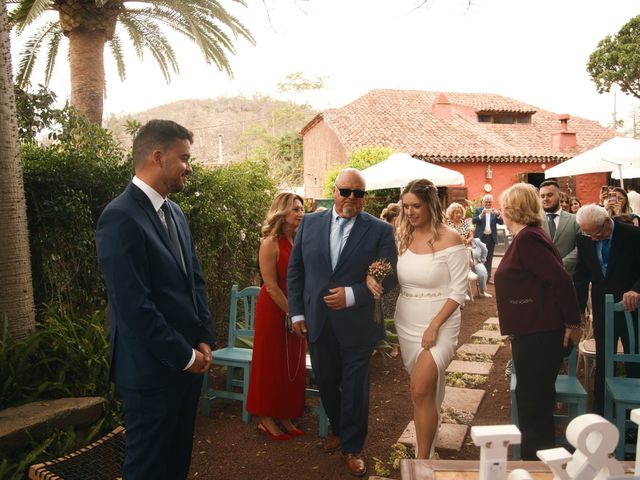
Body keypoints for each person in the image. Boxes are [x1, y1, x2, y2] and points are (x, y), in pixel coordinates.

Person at [96, 120, 215, 480]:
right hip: (149, 372)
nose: (189, 167)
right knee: (147, 467)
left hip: (188, 365)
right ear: (158, 156)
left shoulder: (175, 213)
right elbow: (135, 306)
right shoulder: (119, 217)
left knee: (176, 462)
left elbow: (194, 281)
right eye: (184, 158)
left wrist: (205, 339)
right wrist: (184, 356)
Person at [287, 168, 398, 477]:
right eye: (345, 191)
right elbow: (296, 271)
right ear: (333, 191)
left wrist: (352, 295)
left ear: (364, 197)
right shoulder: (309, 223)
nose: (351, 198)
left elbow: (389, 276)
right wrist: (297, 312)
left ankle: (352, 446)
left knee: (355, 388)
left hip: (358, 323)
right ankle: (337, 428)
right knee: (325, 381)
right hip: (318, 321)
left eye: (358, 193)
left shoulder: (379, 230)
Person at [368, 179, 468, 459]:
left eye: (416, 206)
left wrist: (435, 325)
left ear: (431, 205)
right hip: (407, 319)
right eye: (406, 206)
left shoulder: (451, 238)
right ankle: (430, 447)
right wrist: (370, 276)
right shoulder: (400, 237)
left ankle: (422, 460)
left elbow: (459, 292)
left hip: (441, 322)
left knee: (420, 386)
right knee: (423, 393)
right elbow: (385, 271)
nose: (410, 212)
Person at [494, 183, 582, 460]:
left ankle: (538, 467)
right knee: (535, 402)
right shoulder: (530, 236)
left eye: (502, 208)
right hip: (533, 332)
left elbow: (560, 279)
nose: (500, 214)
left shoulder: (528, 239)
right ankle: (540, 464)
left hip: (539, 335)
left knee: (535, 406)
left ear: (512, 210)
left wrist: (573, 323)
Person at [246, 193, 306, 441]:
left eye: (302, 209)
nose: (301, 214)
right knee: (271, 364)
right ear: (282, 213)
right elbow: (270, 286)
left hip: (295, 311)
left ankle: (285, 414)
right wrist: (292, 313)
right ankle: (266, 417)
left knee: (292, 363)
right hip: (273, 309)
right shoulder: (270, 242)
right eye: (295, 210)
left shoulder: (298, 240)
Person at [573, 204, 640, 415]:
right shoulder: (584, 237)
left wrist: (636, 290)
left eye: (597, 234)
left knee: (634, 355)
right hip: (602, 306)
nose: (592, 238)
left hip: (633, 307)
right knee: (603, 359)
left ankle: (634, 413)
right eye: (588, 234)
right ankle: (601, 411)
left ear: (607, 224)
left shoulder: (633, 235)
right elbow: (581, 276)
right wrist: (578, 311)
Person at [539, 180, 580, 274]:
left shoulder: (574, 220)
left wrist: (562, 265)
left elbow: (580, 247)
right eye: (542, 196)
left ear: (559, 196)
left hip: (568, 276)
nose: (545, 198)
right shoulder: (534, 221)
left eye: (549, 195)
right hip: (541, 276)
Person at [472, 194, 503, 284]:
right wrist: (481, 215)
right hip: (480, 238)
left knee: (489, 259)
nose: (488, 203)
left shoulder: (494, 212)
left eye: (490, 202)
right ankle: (479, 278)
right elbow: (474, 220)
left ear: (492, 202)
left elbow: (501, 222)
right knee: (479, 258)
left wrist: (498, 215)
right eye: (486, 202)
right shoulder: (478, 210)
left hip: (490, 238)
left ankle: (487, 278)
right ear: (483, 202)